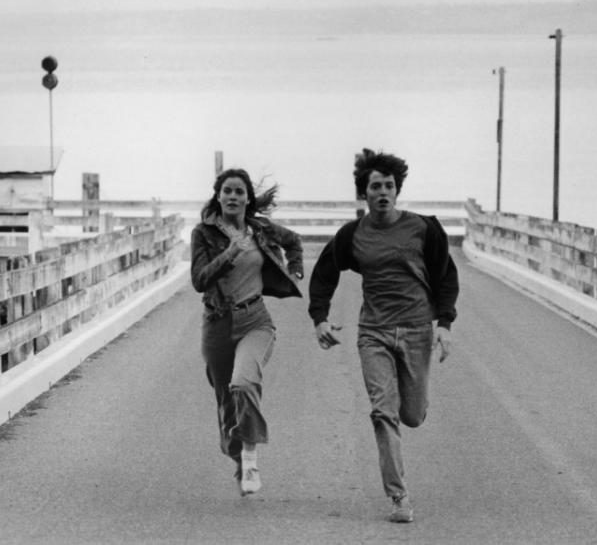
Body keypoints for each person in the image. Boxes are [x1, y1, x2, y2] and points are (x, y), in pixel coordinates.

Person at [308, 148, 459, 523]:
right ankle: (399, 497)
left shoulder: (424, 229)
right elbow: (325, 272)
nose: (383, 192)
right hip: (373, 333)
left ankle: (413, 411)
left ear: (397, 190)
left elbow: (445, 277)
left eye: (389, 186)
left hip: (416, 331)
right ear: (364, 192)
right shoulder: (353, 235)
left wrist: (444, 324)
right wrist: (320, 318)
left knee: (412, 415)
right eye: (375, 186)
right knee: (382, 412)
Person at [190, 168, 304, 496]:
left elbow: (293, 241)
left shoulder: (259, 229)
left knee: (243, 383)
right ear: (218, 195)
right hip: (217, 325)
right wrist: (231, 253)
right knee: (227, 409)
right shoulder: (204, 234)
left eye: (240, 192)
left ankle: (252, 457)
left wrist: (295, 268)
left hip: (256, 320)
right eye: (227, 191)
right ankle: (239, 457)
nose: (233, 197)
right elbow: (199, 280)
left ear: (247, 199)